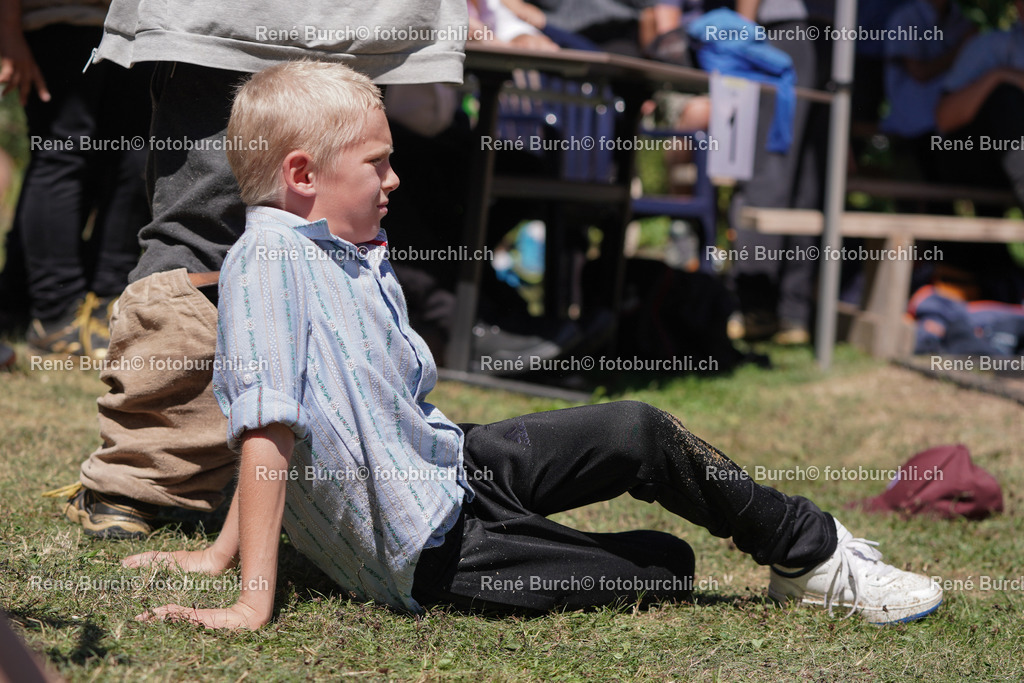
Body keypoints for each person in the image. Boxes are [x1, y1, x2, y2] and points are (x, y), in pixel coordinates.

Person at [122, 60, 942, 630]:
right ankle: (782, 561)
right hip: (434, 549)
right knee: (664, 566)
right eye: (378, 163)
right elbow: (266, 428)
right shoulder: (268, 263)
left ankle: (813, 554)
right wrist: (248, 596)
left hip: (451, 468)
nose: (395, 179)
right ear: (304, 175)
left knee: (637, 428)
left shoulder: (335, 247)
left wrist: (222, 552)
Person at [48, 0, 468, 539]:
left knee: (262, 248)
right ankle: (144, 478)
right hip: (278, 26)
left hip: (295, 26)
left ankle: (157, 480)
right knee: (210, 250)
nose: (394, 180)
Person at [0, 0, 152, 358]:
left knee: (134, 154)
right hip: (60, 16)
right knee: (62, 153)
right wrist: (7, 31)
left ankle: (103, 302)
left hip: (141, 25)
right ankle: (55, 314)